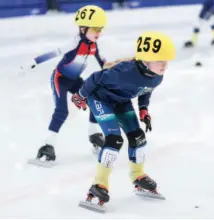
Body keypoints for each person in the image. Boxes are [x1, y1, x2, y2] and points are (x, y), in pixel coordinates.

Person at [72, 31, 175, 211]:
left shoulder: (157, 76)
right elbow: (95, 78)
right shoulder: (124, 71)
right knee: (114, 139)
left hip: (121, 101)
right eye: (160, 61)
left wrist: (144, 109)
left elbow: (146, 90)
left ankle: (138, 176)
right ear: (145, 60)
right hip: (100, 99)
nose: (164, 65)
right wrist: (80, 95)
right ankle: (99, 184)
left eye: (166, 61)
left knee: (138, 137)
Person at [23, 5, 107, 165]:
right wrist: (34, 61)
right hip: (59, 79)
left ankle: (94, 135)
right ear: (83, 28)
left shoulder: (93, 45)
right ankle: (47, 145)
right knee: (62, 111)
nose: (99, 33)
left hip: (75, 80)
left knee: (96, 99)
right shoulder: (74, 43)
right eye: (96, 29)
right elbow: (54, 52)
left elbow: (103, 62)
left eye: (101, 29)